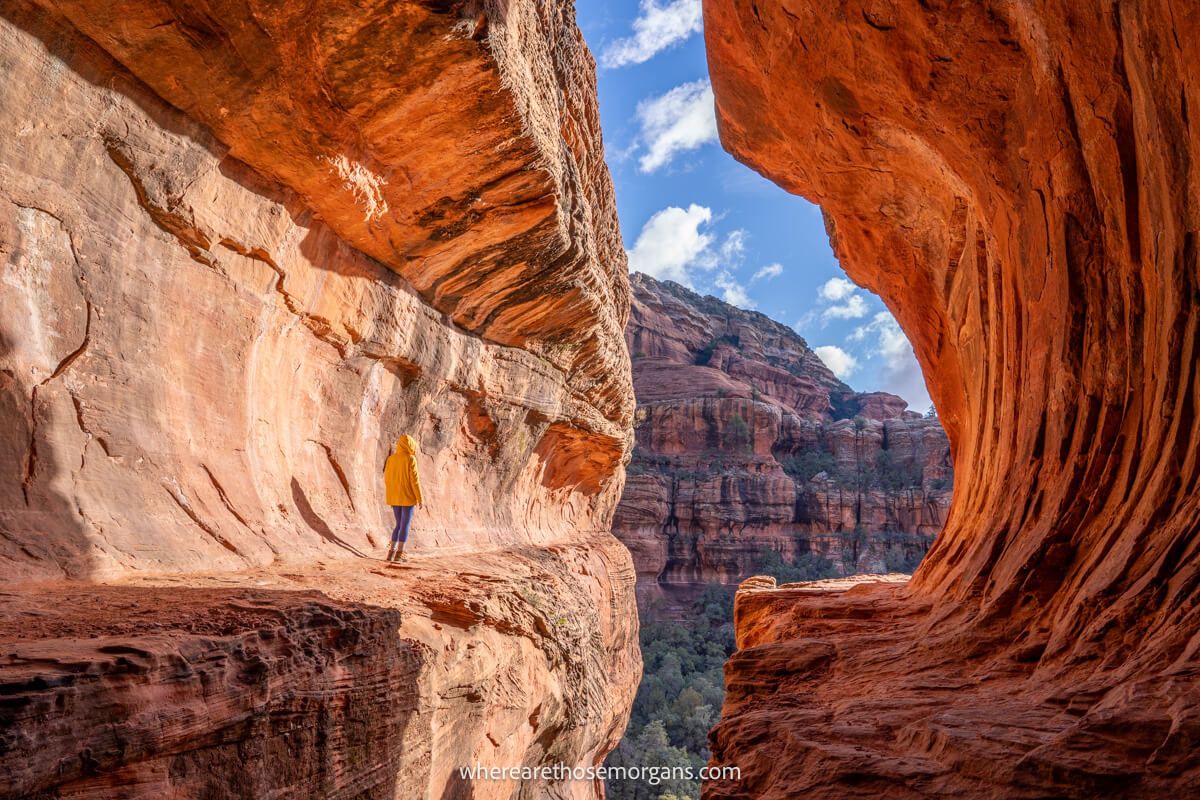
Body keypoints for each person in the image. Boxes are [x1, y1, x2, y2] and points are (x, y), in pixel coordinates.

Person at [383, 435, 423, 562]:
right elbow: (415, 480)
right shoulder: (410, 458)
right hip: (408, 497)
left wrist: (391, 495)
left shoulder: (391, 459)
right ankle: (400, 554)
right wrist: (419, 498)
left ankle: (391, 553)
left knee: (398, 524)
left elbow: (387, 478)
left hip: (395, 497)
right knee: (405, 524)